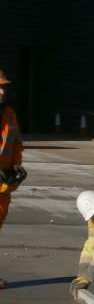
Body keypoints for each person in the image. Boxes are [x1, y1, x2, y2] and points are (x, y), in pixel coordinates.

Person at [0, 70, 27, 290]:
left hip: (3, 183)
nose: (2, 91)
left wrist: (17, 165)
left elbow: (16, 142)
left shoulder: (9, 114)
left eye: (3, 87)